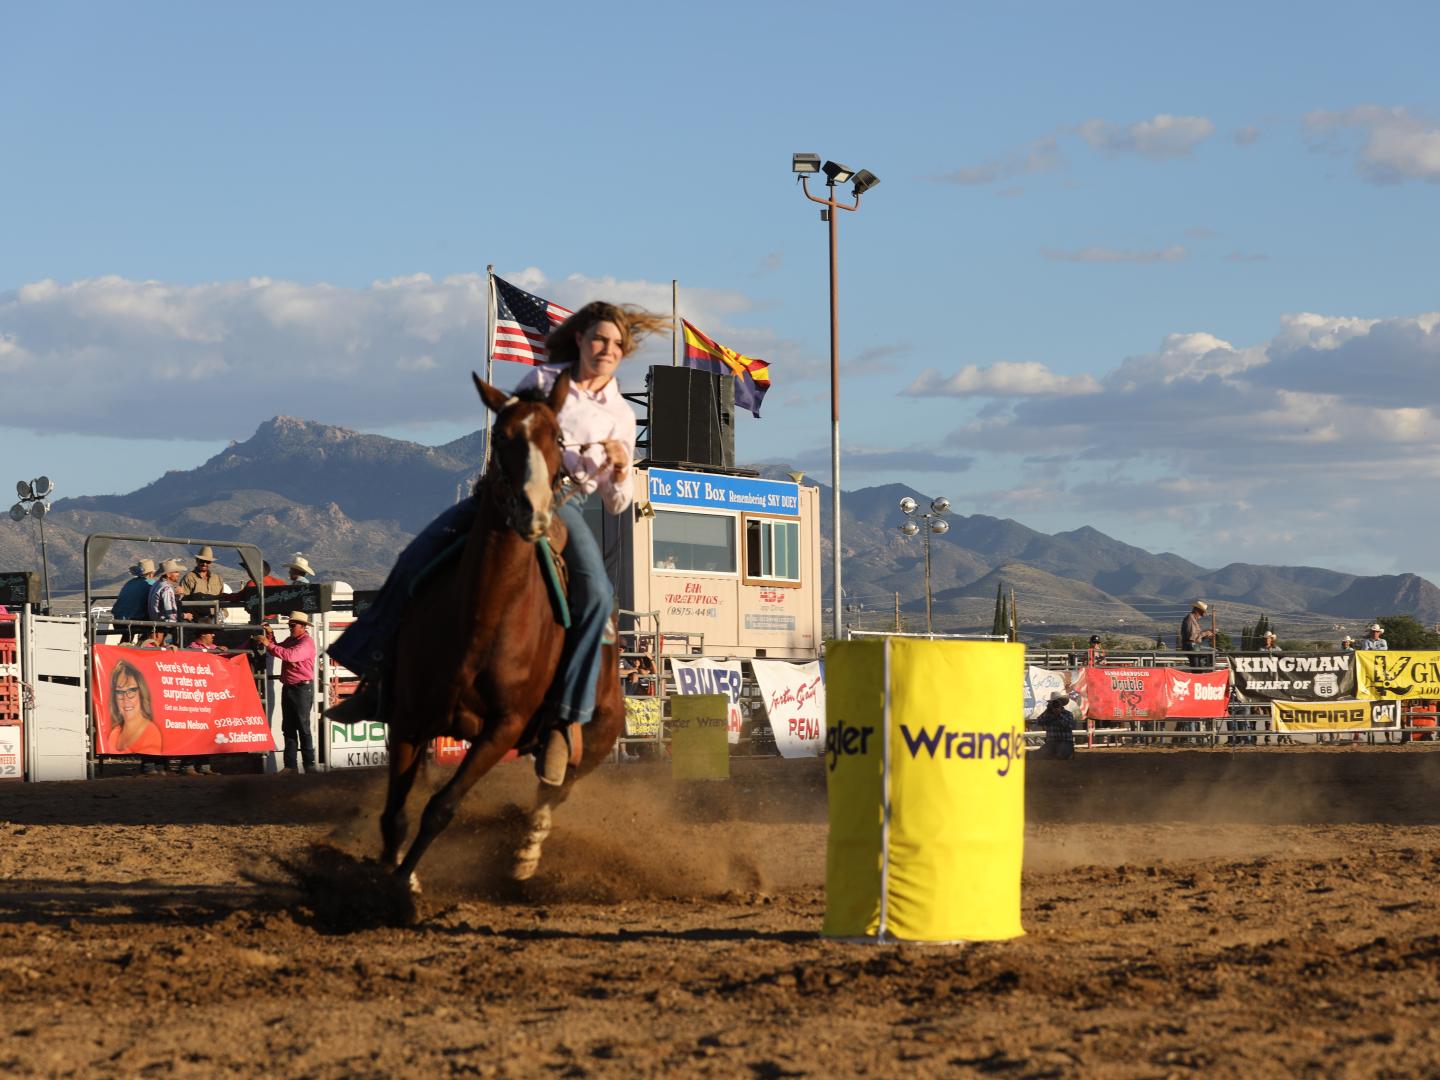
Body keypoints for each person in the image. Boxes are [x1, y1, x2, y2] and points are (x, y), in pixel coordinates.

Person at [326, 301, 668, 785]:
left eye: (616, 344)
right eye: (598, 339)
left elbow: (617, 504)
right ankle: (375, 673)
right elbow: (506, 432)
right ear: (579, 341)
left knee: (597, 598)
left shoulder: (620, 415)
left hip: (565, 505)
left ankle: (564, 718)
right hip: (503, 496)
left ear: (623, 351)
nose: (606, 349)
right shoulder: (543, 381)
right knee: (415, 557)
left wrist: (618, 466)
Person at [260, 611, 318, 773]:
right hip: (293, 687)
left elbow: (288, 655)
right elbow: (278, 650)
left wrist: (268, 643)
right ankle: (293, 765)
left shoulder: (306, 643)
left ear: (303, 627)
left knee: (302, 726)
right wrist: (270, 637)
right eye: (290, 625)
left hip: (301, 688)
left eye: (293, 625)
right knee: (290, 726)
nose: (290, 627)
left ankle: (307, 764)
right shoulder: (294, 640)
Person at [108, 659, 164, 768]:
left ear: (141, 693)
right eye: (119, 692)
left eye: (132, 690)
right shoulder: (114, 734)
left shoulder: (151, 732)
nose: (125, 698)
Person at [112, 558, 157, 641]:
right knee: (159, 625)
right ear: (151, 573)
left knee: (128, 634)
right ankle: (142, 645)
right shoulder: (151, 584)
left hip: (118, 621)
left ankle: (126, 647)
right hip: (134, 621)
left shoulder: (130, 583)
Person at [148, 558, 192, 641]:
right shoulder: (167, 588)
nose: (178, 574)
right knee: (188, 631)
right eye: (176, 572)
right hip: (163, 623)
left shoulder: (157, 584)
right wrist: (185, 616)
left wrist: (178, 596)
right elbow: (171, 614)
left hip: (155, 620)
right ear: (168, 574)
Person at [1032, 692, 1076, 760]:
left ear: (1061, 703)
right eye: (1054, 703)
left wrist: (1059, 715)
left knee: (1061, 755)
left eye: (1057, 702)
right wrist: (1048, 712)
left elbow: (1070, 725)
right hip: (1051, 743)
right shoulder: (1047, 713)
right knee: (1036, 756)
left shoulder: (1068, 714)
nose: (1056, 704)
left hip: (1065, 742)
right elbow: (1038, 722)